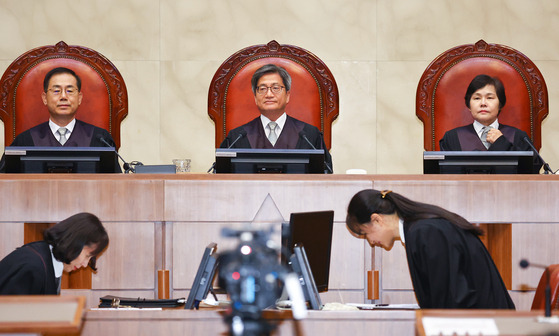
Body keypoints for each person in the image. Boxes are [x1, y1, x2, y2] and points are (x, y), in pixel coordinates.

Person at [346, 189, 515, 309]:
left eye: (365, 233)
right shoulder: (419, 229)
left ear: (376, 220)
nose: (371, 241)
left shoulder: (426, 232)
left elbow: (452, 300)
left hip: (486, 325)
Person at [0, 67, 120, 172]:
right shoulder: (24, 140)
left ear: (79, 98)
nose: (63, 96)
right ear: (44, 98)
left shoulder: (100, 139)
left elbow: (116, 186)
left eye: (70, 91)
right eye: (56, 91)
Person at [219, 64, 333, 173]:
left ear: (287, 96)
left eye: (276, 88)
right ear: (255, 97)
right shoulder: (237, 137)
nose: (269, 94)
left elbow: (325, 175)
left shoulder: (309, 135)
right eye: (262, 89)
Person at [439, 74, 542, 172]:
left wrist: (503, 144)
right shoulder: (452, 137)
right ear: (469, 106)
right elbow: (444, 175)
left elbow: (532, 171)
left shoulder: (519, 137)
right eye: (477, 98)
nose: (483, 103)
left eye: (490, 98)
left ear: (500, 104)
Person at [0, 212, 109, 295]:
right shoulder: (33, 266)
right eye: (87, 256)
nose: (85, 264)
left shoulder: (44, 260)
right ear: (74, 242)